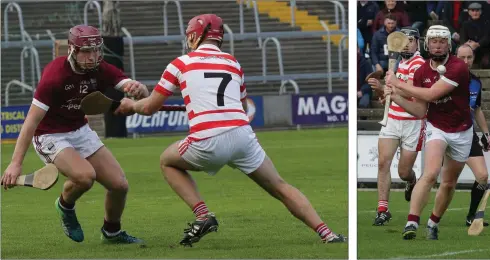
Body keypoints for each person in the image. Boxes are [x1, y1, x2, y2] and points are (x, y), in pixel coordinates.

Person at [114, 14, 346, 246]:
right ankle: (328, 234)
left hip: (207, 139)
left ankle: (203, 215)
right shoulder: (233, 63)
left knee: (167, 161)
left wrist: (131, 105)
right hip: (242, 136)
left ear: (194, 35)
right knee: (280, 186)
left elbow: (150, 107)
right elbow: (242, 107)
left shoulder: (180, 63)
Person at [1, 25, 148, 244]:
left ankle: (112, 232)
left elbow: (131, 87)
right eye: (86, 52)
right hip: (50, 135)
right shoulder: (54, 76)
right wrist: (15, 163)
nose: (92, 57)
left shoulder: (100, 69)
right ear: (72, 49)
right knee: (85, 177)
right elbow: (31, 121)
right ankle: (65, 206)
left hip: (79, 130)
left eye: (96, 50)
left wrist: (139, 89)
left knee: (119, 185)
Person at [385, 25, 473, 240]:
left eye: (442, 42)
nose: (437, 45)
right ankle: (412, 222)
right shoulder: (422, 71)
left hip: (462, 129)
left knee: (449, 182)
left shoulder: (458, 66)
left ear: (448, 45)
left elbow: (433, 94)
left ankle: (433, 222)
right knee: (431, 172)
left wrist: (398, 84)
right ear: (427, 44)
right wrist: (395, 96)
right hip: (437, 127)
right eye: (433, 41)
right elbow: (420, 109)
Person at [367, 27, 425, 226]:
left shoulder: (419, 64)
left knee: (403, 172)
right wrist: (381, 92)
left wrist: (388, 89)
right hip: (392, 119)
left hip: (412, 123)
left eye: (411, 40)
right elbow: (391, 96)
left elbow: (412, 97)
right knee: (383, 162)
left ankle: (411, 181)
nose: (407, 43)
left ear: (418, 43)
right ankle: (383, 209)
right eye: (404, 40)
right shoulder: (399, 64)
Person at [456, 44, 490, 227]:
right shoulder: (444, 78)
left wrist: (486, 133)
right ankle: (418, 219)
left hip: (468, 134)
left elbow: (477, 109)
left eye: (469, 57)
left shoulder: (476, 82)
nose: (466, 61)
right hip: (444, 134)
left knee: (483, 176)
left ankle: (471, 216)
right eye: (462, 57)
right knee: (439, 180)